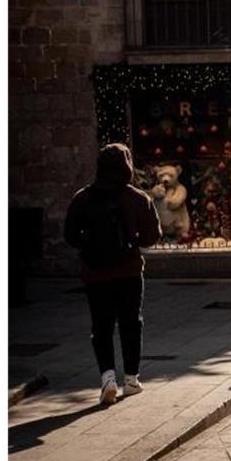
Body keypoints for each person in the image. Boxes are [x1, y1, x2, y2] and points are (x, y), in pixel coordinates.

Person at [63, 143, 162, 405]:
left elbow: (70, 235)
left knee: (101, 326)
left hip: (96, 274)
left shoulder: (82, 198)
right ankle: (131, 379)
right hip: (129, 271)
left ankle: (107, 378)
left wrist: (90, 245)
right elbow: (153, 235)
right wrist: (133, 238)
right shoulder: (138, 198)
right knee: (131, 323)